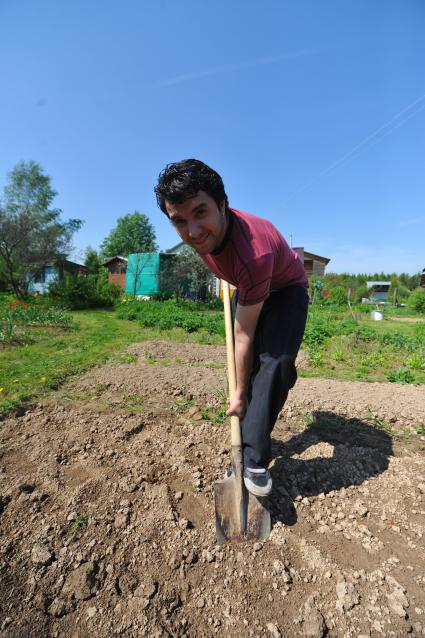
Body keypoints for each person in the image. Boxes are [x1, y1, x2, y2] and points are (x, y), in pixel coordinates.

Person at [155, 159, 308, 497]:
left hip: (286, 288)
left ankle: (251, 456)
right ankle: (255, 427)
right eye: (179, 221)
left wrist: (238, 395)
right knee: (251, 367)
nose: (192, 231)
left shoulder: (253, 251)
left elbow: (243, 335)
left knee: (274, 363)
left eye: (201, 213)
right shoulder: (201, 237)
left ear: (223, 205)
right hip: (249, 284)